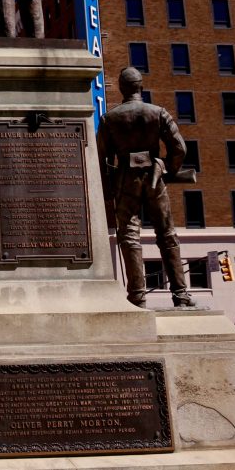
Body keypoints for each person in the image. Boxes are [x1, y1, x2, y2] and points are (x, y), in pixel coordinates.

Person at [97, 67, 195, 309]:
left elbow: (101, 159)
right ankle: (181, 295)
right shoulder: (158, 112)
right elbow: (179, 148)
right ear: (141, 87)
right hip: (154, 176)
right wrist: (167, 167)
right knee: (167, 234)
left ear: (121, 88)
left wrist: (108, 188)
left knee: (129, 236)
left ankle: (137, 296)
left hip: (124, 180)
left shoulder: (110, 119)